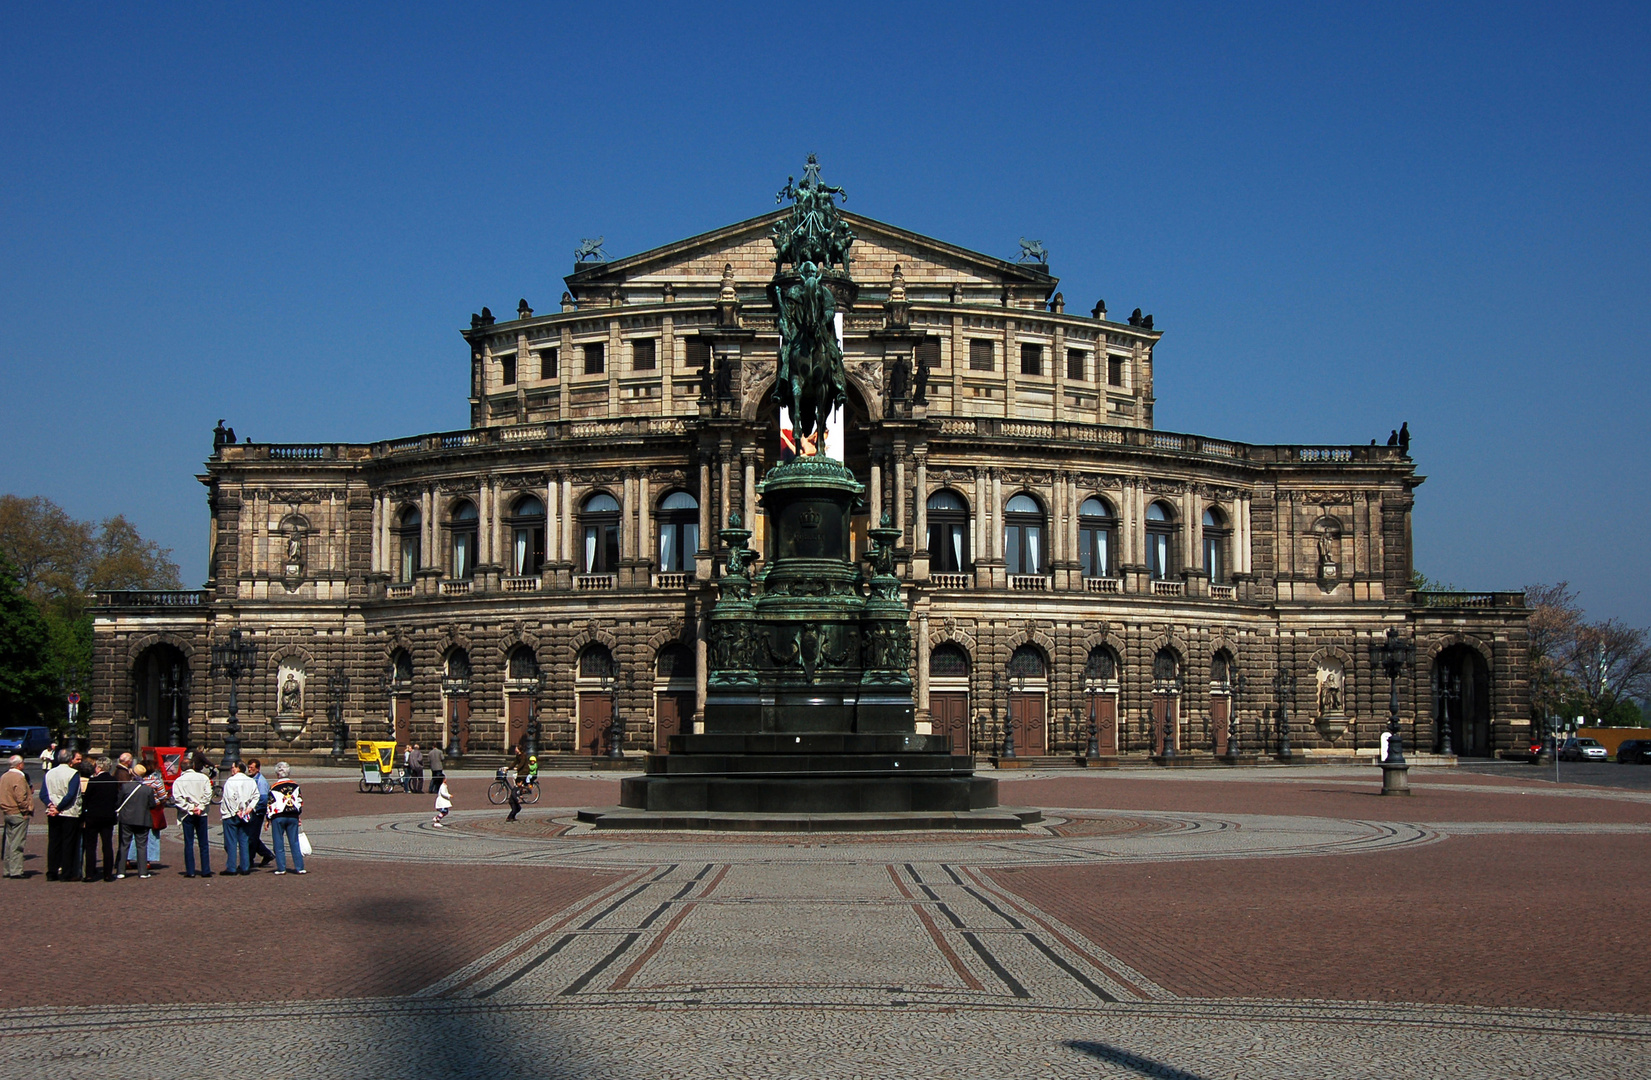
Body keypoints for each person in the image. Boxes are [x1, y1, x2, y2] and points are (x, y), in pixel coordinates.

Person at [41, 749, 84, 881]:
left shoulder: (49, 773)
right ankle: (66, 872)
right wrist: (59, 808)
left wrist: (51, 805)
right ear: (70, 759)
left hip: (52, 811)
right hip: (68, 812)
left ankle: (52, 871)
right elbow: (71, 795)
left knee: (54, 842)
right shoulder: (73, 773)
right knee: (68, 843)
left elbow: (43, 793)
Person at [172, 753, 213, 878]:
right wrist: (200, 807)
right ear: (193, 766)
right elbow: (208, 794)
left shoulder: (178, 781)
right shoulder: (203, 778)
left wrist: (190, 808)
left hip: (187, 813)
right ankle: (206, 870)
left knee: (189, 843)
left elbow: (177, 798)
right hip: (202, 812)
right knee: (203, 843)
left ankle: (190, 871)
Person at [79, 757, 119, 882]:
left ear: (100, 767)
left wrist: (83, 816)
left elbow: (86, 800)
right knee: (107, 845)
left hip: (93, 816)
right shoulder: (113, 781)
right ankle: (108, 874)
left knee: (91, 845)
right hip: (108, 816)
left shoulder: (93, 781)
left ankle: (90, 873)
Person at [115, 764, 157, 879]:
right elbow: (152, 805)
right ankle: (142, 872)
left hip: (126, 819)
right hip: (142, 819)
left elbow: (118, 802)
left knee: (124, 845)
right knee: (142, 846)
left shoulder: (125, 787)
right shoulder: (148, 789)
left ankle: (121, 871)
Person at [219, 760, 259, 875]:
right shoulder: (250, 781)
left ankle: (231, 867)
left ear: (238, 768)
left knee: (231, 842)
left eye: (233, 767)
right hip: (246, 814)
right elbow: (256, 796)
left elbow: (229, 798)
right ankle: (245, 866)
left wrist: (236, 811)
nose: (232, 769)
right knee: (244, 841)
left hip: (231, 815)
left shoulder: (231, 781)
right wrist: (249, 808)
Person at [266, 762, 305, 875]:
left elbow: (270, 804)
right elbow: (300, 802)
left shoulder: (273, 787)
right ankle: (299, 867)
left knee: (278, 843)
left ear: (277, 774)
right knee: (294, 842)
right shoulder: (295, 786)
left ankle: (281, 868)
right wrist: (298, 815)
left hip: (278, 817)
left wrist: (268, 819)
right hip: (292, 815)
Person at [0, 756, 34, 878]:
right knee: (17, 843)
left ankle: (7, 869)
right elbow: (21, 797)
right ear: (19, 764)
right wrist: (26, 810)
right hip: (18, 812)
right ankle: (15, 870)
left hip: (7, 811)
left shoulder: (4, 776)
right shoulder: (19, 777)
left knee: (9, 842)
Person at [244, 759, 276, 867]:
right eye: (249, 767)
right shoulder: (251, 779)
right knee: (251, 835)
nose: (249, 770)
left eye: (252, 768)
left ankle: (249, 860)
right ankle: (266, 854)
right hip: (250, 811)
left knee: (252, 837)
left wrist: (255, 809)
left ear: (258, 769)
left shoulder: (261, 781)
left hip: (257, 812)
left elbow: (263, 799)